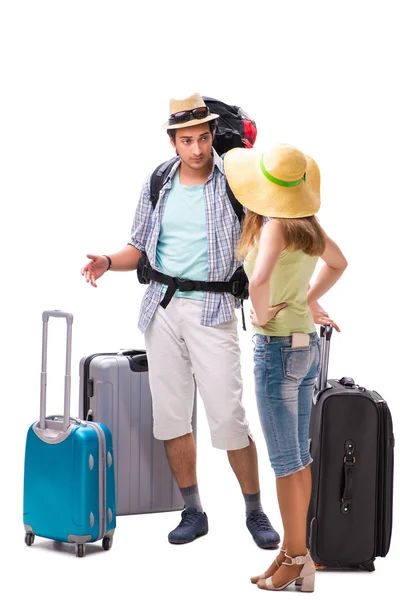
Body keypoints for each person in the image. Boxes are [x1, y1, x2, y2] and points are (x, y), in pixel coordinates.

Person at [81, 92, 281, 548]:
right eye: (187, 140)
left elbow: (268, 242)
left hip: (213, 313)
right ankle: (193, 510)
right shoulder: (158, 183)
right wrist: (108, 262)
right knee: (171, 419)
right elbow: (139, 247)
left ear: (214, 137)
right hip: (162, 310)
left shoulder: (234, 184)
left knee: (229, 418)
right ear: (173, 142)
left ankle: (255, 511)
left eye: (204, 138)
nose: (196, 149)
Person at [224, 143, 347, 592]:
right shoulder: (308, 227)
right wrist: (309, 301)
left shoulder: (275, 225)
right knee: (298, 458)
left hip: (276, 350)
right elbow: (339, 263)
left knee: (284, 462)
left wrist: (258, 313)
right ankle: (297, 552)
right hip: (306, 349)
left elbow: (257, 282)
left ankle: (296, 557)